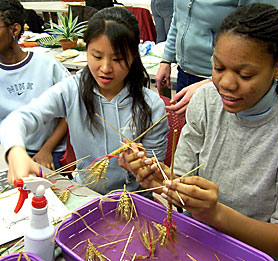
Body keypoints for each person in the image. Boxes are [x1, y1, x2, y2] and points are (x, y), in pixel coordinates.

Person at [121, 3, 278, 259]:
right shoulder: (206, 100)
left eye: (245, 74)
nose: (226, 83)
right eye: (218, 68)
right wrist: (159, 179)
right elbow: (181, 186)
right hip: (199, 242)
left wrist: (215, 215)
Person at [1, 6, 169, 196]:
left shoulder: (152, 106)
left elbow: (156, 179)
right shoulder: (72, 89)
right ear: (86, 49)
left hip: (134, 200)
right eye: (96, 56)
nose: (105, 68)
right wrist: (15, 151)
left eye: (118, 58)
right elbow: (18, 119)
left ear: (133, 56)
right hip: (85, 195)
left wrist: (142, 169)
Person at [0, 0, 70, 170]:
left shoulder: (48, 66)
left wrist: (47, 149)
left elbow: (71, 109)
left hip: (50, 151)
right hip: (8, 151)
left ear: (14, 30)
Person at [155, 0, 278, 95]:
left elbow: (261, 41)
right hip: (185, 72)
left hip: (226, 80)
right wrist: (166, 59)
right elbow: (179, 19)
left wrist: (212, 83)